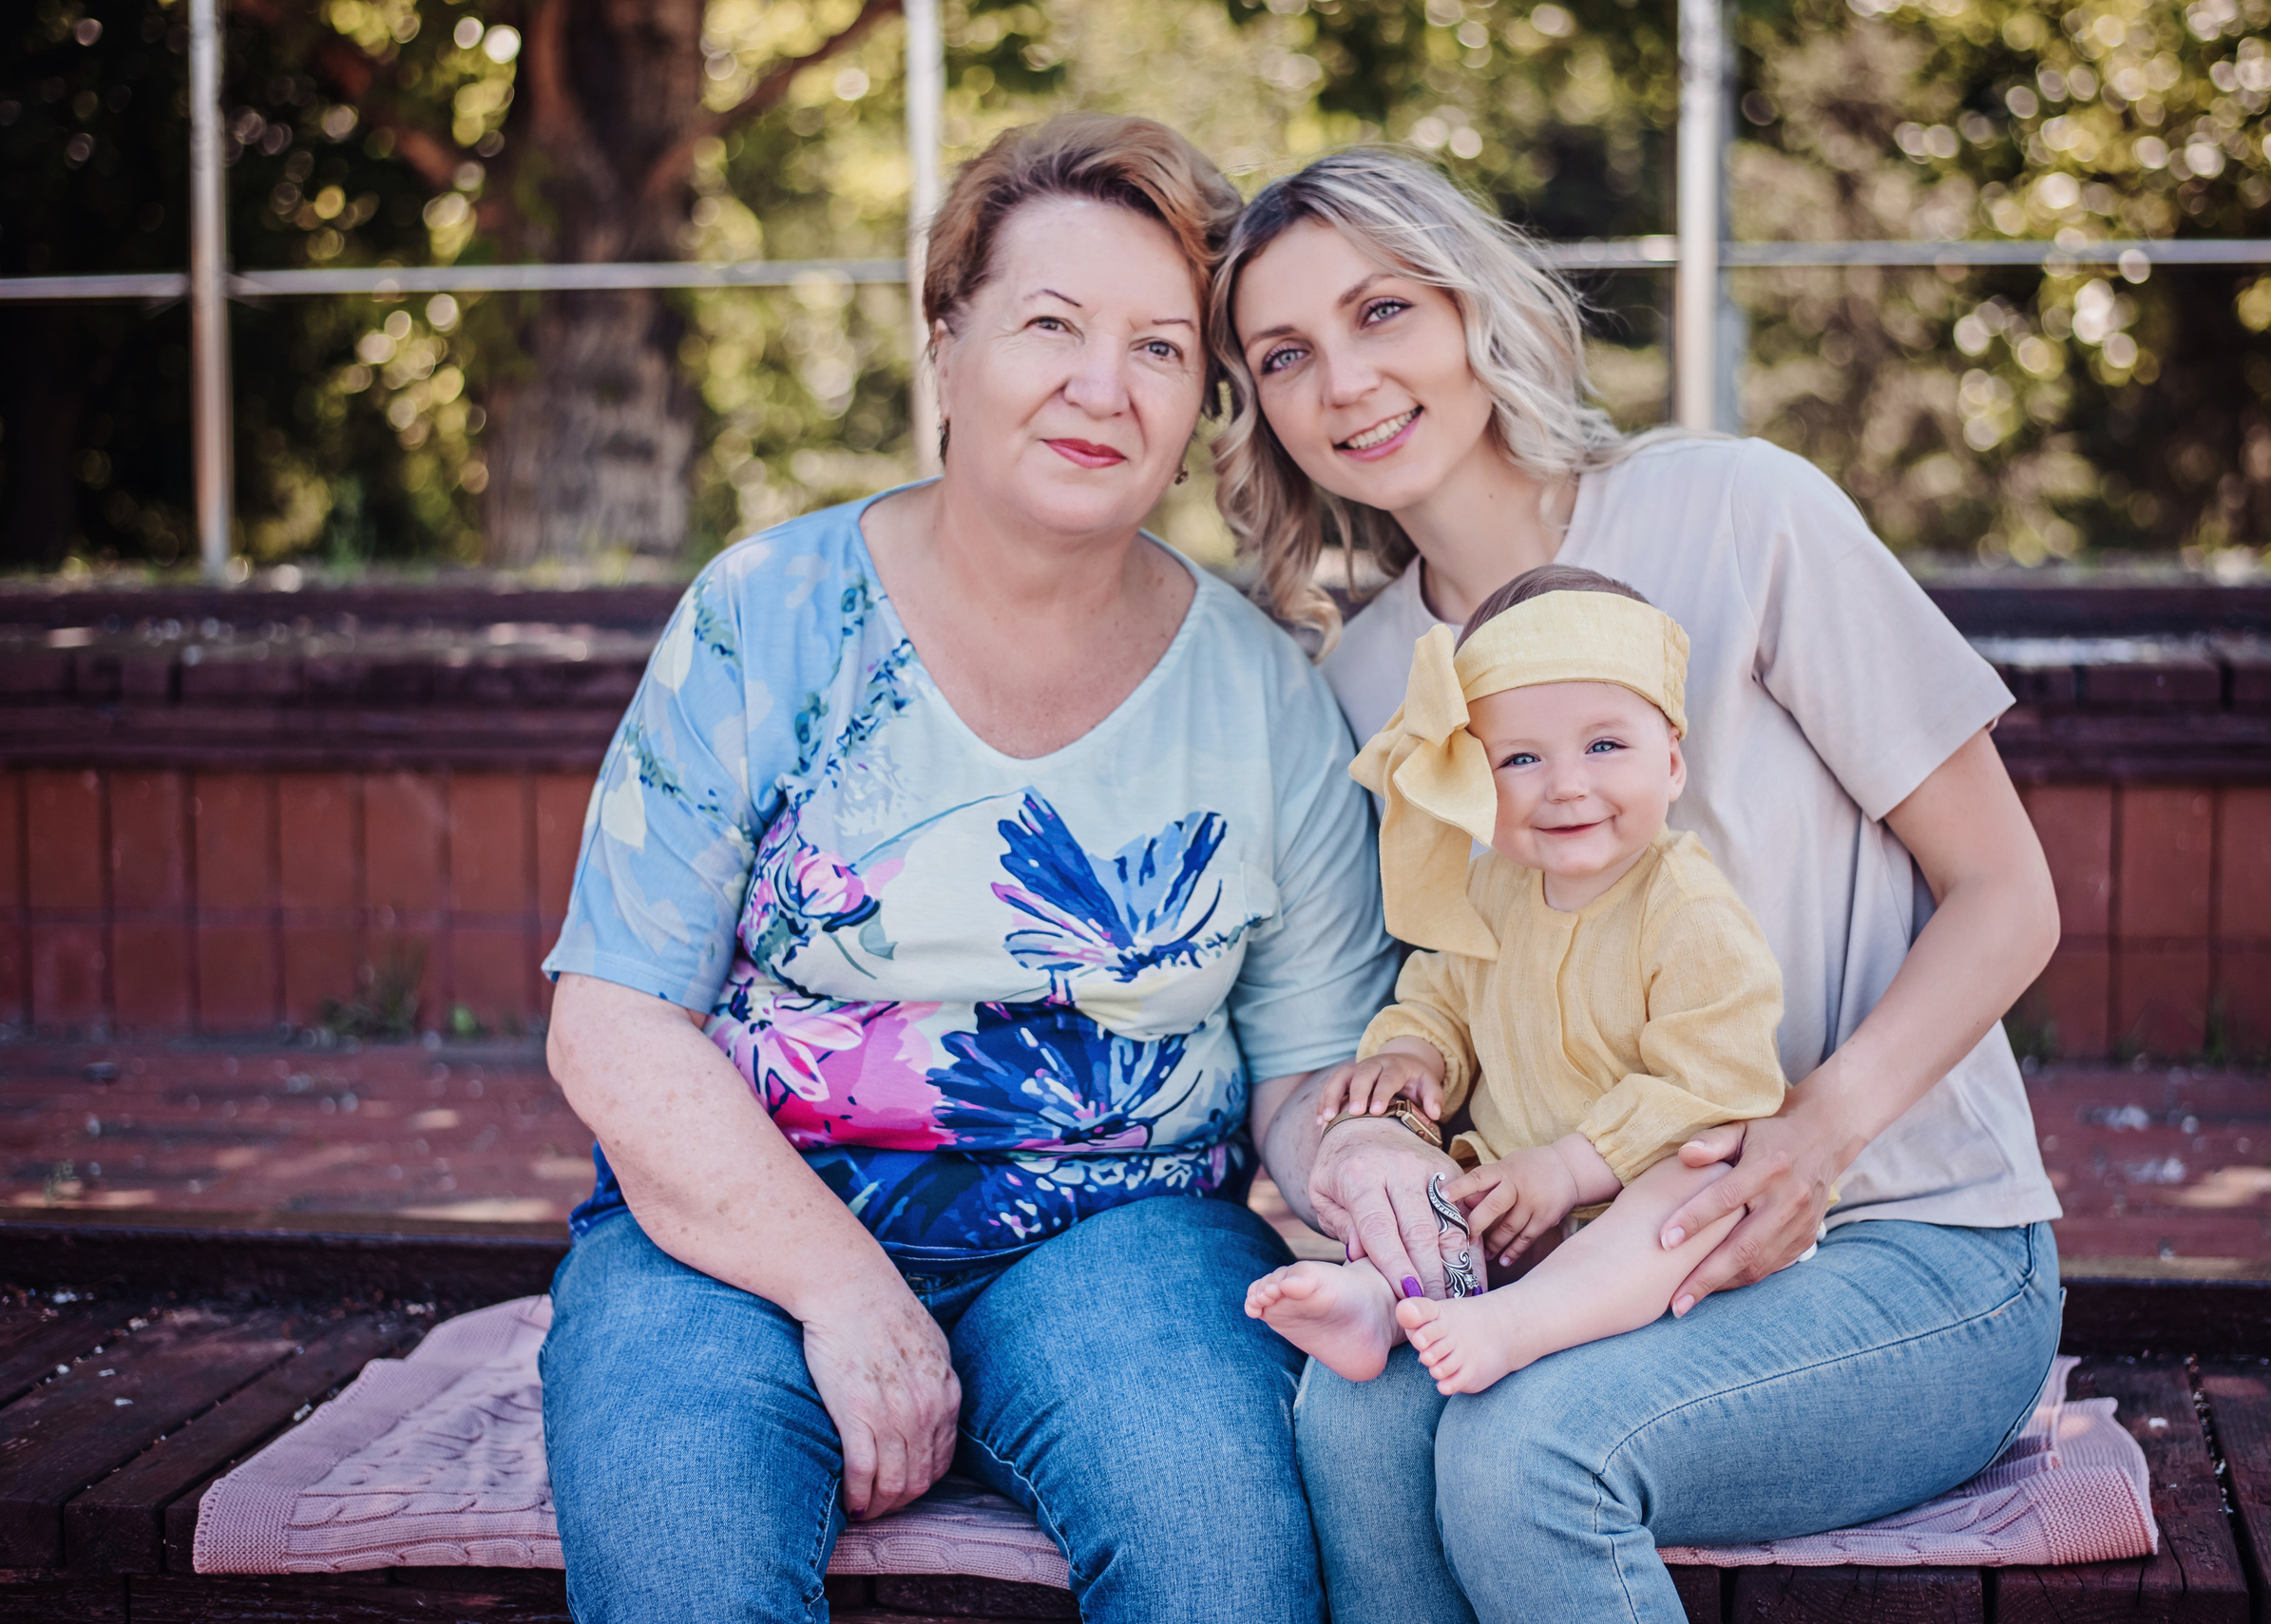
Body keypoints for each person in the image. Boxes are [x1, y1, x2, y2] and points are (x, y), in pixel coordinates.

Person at [536, 115, 1397, 1624]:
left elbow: (1306, 1065)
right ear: (948, 339)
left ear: (1202, 398)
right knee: (686, 1579)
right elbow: (610, 1017)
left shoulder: (1265, 692)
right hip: (739, 1216)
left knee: (1225, 1565)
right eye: (1048, 325)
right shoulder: (769, 614)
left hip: (1124, 1232)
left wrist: (1374, 1165)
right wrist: (847, 1292)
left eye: (1155, 347)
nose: (1097, 387)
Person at [1214, 147, 2066, 1624]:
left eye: (1383, 313)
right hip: (1599, 1238)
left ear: (1474, 309)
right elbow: (1452, 995)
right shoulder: (1366, 681)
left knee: (1531, 1453)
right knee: (1356, 1426)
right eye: (1284, 355)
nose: (1343, 382)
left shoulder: (1741, 513)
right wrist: (1402, 1124)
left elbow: (2009, 894)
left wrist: (1817, 1134)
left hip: (1911, 1238)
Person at [1246, 566, 1789, 1396]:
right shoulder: (1494, 885)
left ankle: (1516, 1321)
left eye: (1605, 744)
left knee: (1699, 1185)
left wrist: (1571, 1169)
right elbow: (1442, 993)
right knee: (1451, 1186)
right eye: (1521, 757)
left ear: (1672, 761)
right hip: (1522, 1191)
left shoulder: (1685, 908)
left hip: (1630, 1204)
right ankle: (1384, 1302)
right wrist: (1414, 1053)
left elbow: (1717, 1086)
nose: (1566, 783)